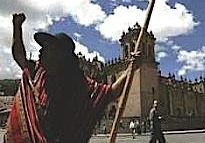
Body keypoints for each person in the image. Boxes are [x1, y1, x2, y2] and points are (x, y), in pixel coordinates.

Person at [5, 13, 139, 143]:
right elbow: (19, 56)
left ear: (60, 55)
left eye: (47, 47)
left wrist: (131, 68)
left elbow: (111, 93)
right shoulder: (36, 72)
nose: (40, 51)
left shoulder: (79, 86)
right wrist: (17, 28)